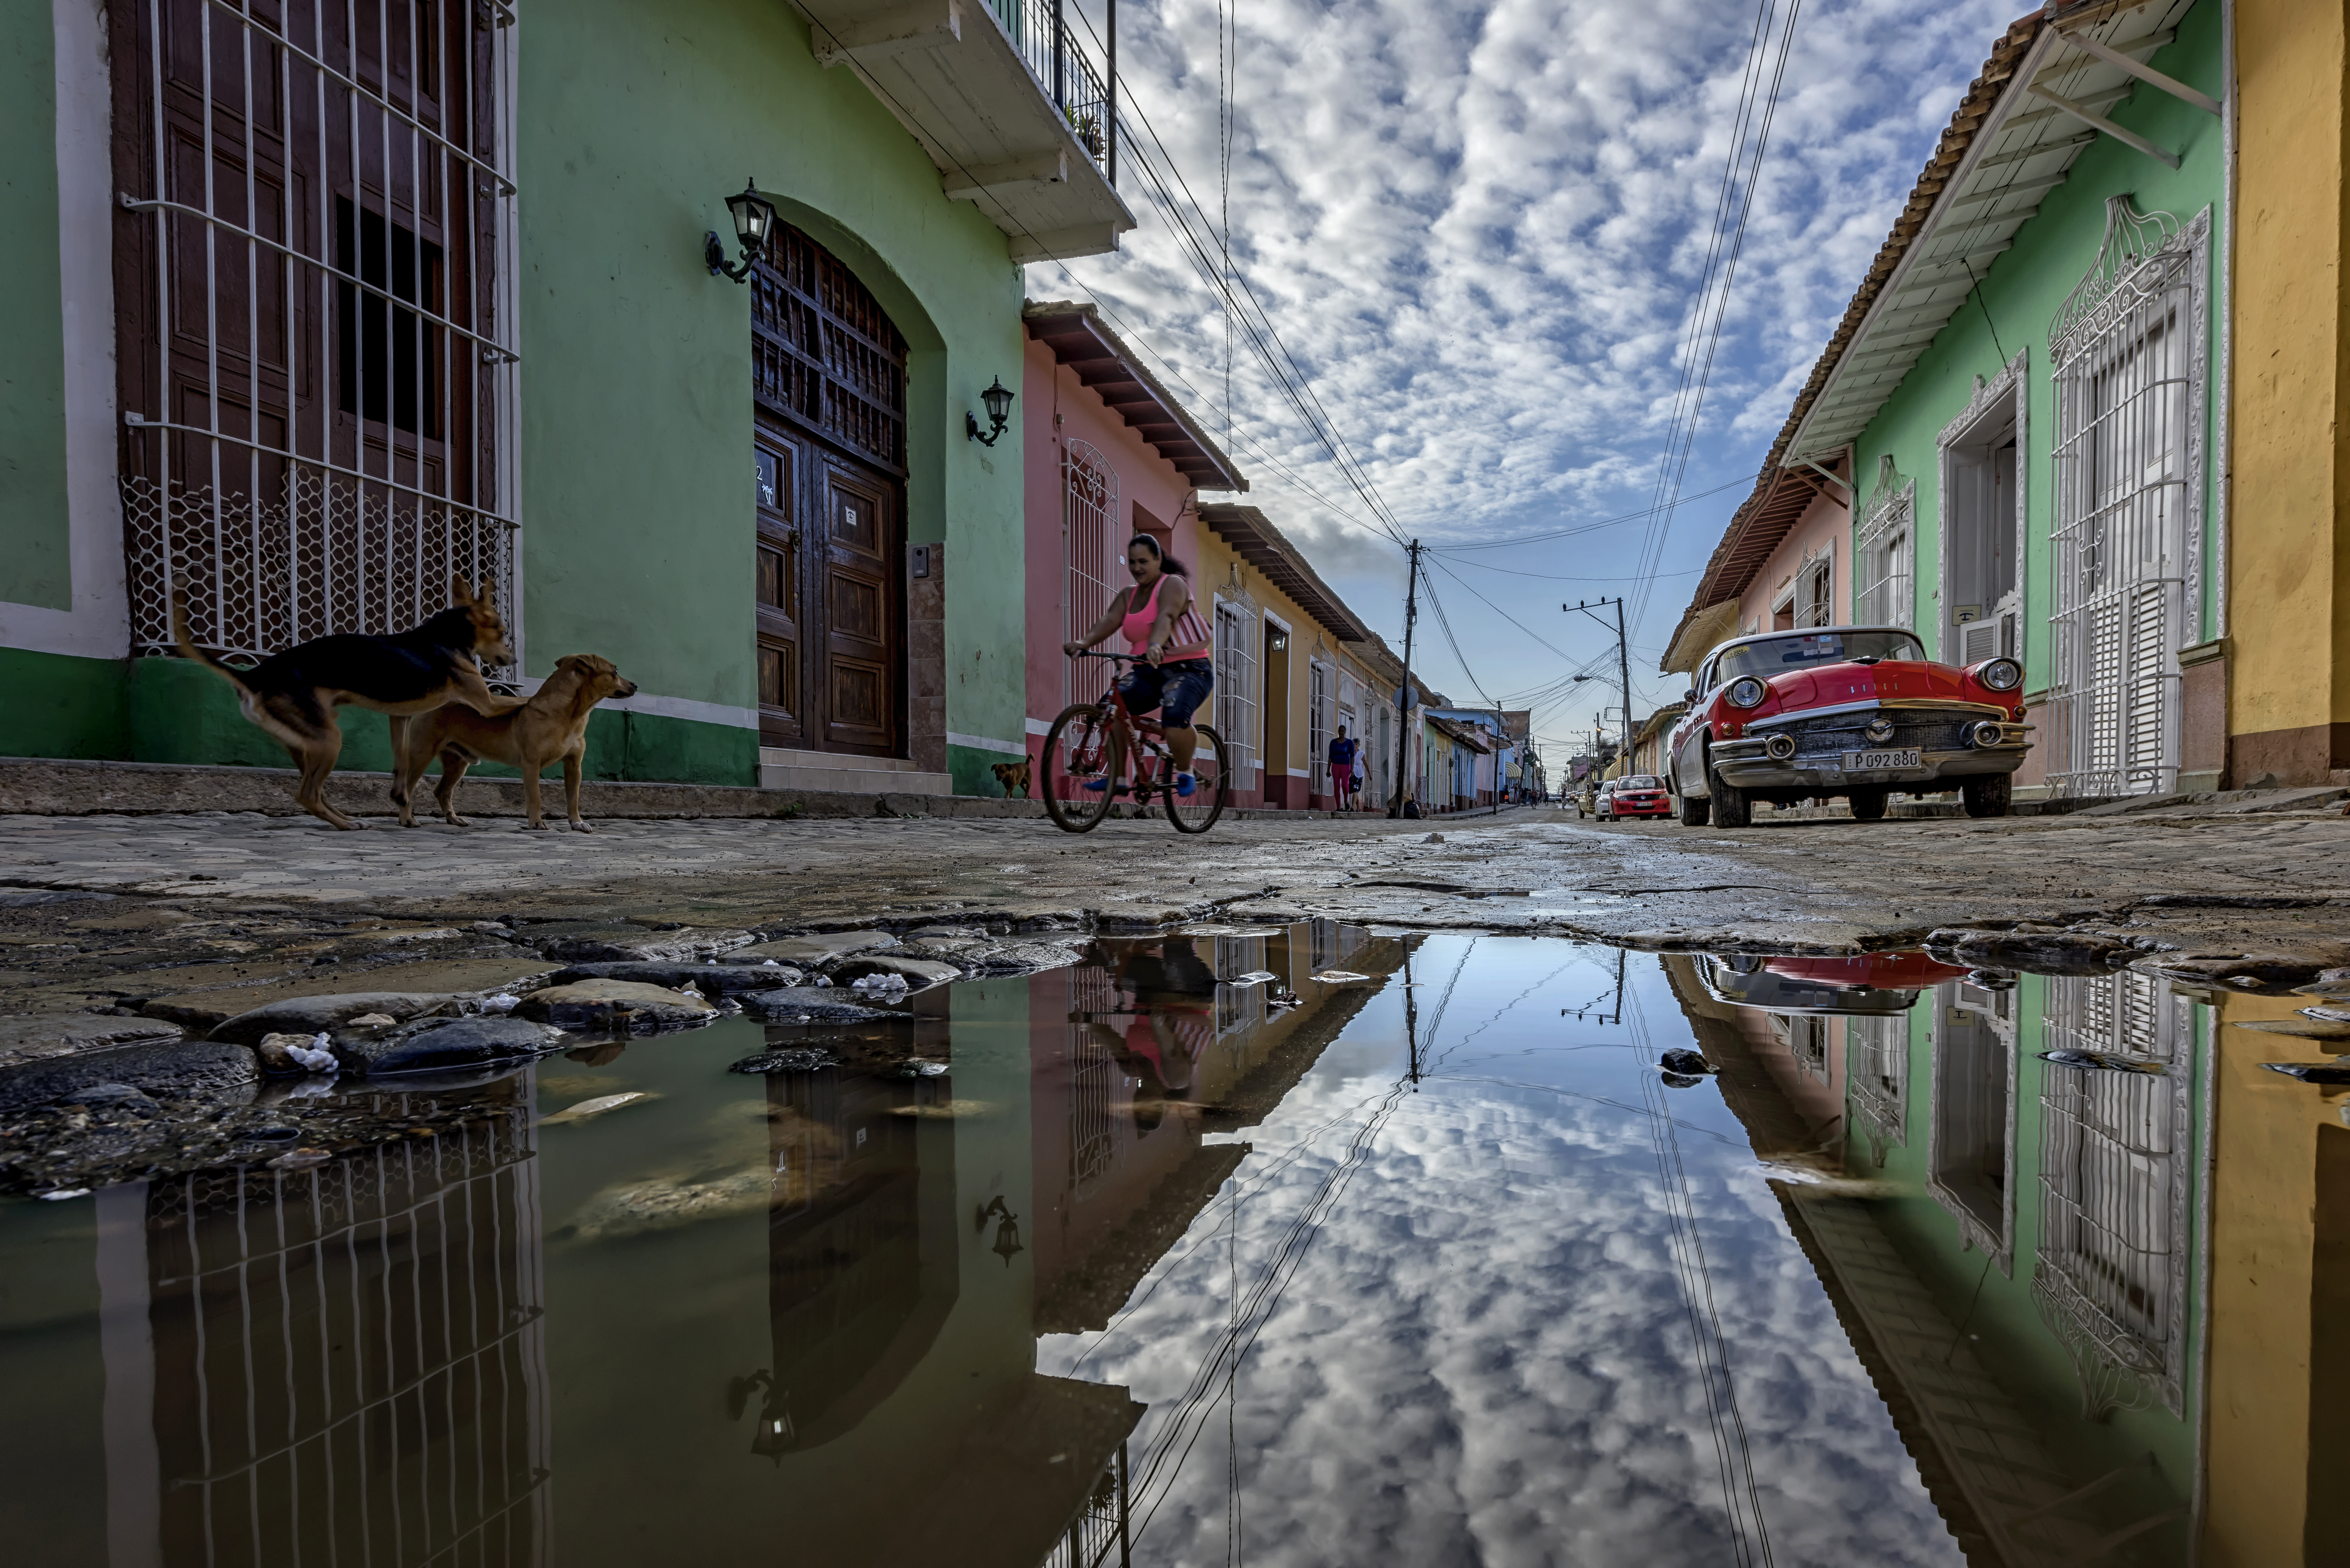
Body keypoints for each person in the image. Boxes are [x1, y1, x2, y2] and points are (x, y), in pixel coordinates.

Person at [1064, 534, 1215, 796]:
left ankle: (1185, 770)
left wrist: (1155, 644)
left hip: (1190, 670)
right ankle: (1119, 778)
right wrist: (1083, 642)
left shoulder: (1173, 584)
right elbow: (1109, 620)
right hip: (1148, 671)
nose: (1137, 568)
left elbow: (1167, 616)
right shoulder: (1128, 595)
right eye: (1133, 562)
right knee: (1110, 708)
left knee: (1174, 718)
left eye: (1144, 562)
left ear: (1158, 559)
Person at [1327, 726, 1358, 812]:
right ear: (1338, 732)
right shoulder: (1333, 742)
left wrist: (1352, 769)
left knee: (1345, 786)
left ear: (1345, 732)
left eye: (1342, 731)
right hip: (1335, 766)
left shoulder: (1349, 742)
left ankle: (1346, 800)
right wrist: (1328, 769)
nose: (1341, 733)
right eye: (1339, 731)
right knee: (1337, 786)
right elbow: (1330, 756)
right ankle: (1338, 807)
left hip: (1346, 766)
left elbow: (1352, 757)